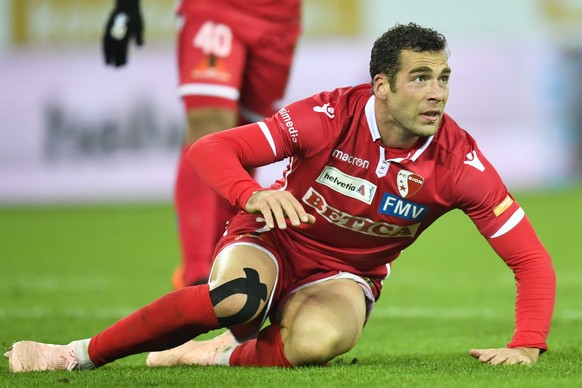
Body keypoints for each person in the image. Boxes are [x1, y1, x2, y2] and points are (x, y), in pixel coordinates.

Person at [5, 22, 556, 372]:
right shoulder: (328, 116)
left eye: (443, 77)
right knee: (239, 300)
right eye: (420, 77)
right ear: (381, 86)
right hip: (272, 242)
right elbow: (211, 148)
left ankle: (217, 355)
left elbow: (530, 259)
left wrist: (527, 343)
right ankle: (74, 354)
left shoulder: (460, 164)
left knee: (315, 344)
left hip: (345, 275)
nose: (437, 92)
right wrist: (249, 195)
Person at [102, 0, 302, 288]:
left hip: (280, 16)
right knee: (209, 123)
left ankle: (220, 264)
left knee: (248, 140)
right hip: (214, 8)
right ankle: (195, 272)